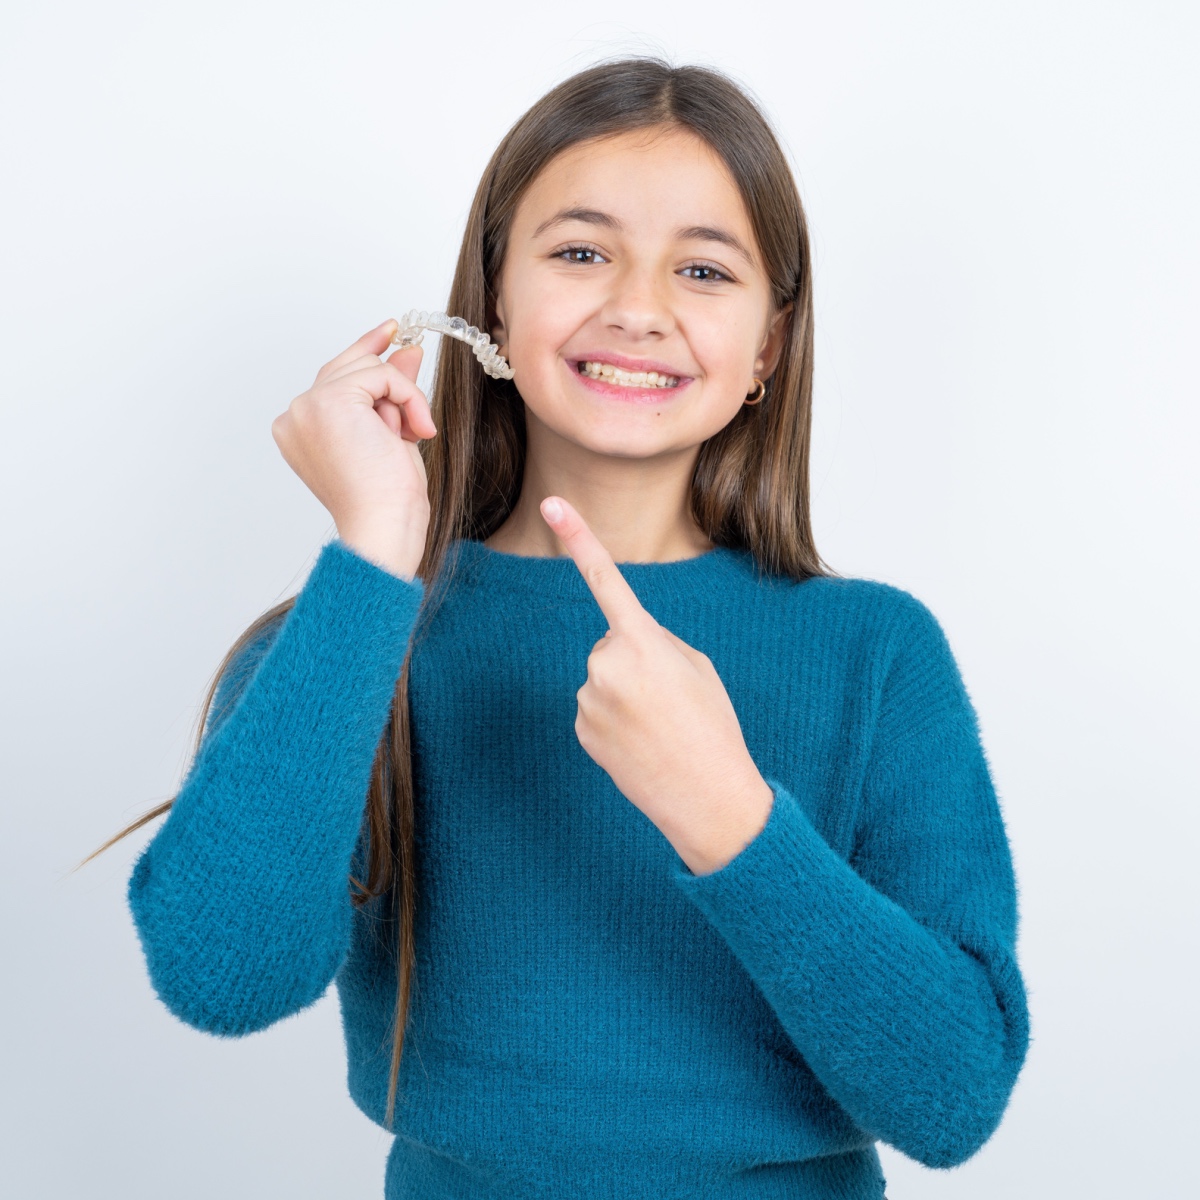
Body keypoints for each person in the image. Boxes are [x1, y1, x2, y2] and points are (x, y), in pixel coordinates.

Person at [89, 56, 1031, 1200]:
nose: (638, 307)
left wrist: (727, 815)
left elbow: (954, 1100)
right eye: (580, 252)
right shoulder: (352, 632)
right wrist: (376, 554)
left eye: (704, 268)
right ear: (492, 300)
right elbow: (220, 976)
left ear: (769, 351)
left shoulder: (877, 653)